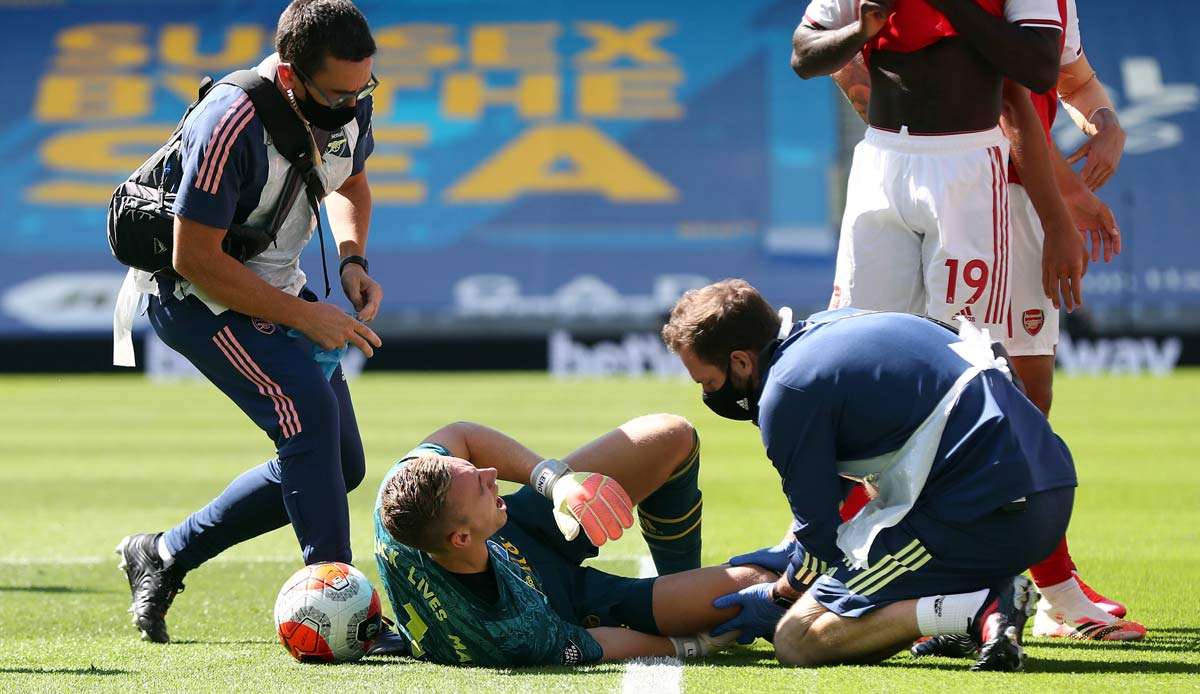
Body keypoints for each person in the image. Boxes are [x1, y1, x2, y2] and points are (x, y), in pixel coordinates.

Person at [825, 0, 1144, 642]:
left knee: (1023, 393)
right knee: (972, 388)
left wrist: (1105, 121)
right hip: (983, 186)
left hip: (1011, 191)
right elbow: (997, 101)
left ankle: (1041, 581)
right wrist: (1067, 201)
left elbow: (1066, 77)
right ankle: (885, 569)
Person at [114, 0, 385, 643]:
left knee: (336, 465)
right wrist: (305, 316)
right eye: (341, 92)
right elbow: (193, 258)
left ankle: (163, 553)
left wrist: (352, 260)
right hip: (196, 298)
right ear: (291, 77)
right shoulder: (230, 120)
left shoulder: (346, 101)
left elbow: (351, 185)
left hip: (273, 287)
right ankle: (339, 607)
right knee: (309, 420)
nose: (354, 105)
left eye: (364, 88)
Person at [662, 279, 1079, 671]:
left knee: (798, 639)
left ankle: (977, 607)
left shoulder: (785, 393)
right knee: (867, 554)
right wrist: (802, 545)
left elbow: (819, 551)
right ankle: (953, 609)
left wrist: (776, 594)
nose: (709, 394)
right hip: (1046, 482)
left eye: (710, 381)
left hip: (990, 510)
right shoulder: (831, 327)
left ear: (740, 361)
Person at [793, 0, 1088, 342]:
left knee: (963, 344)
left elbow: (1040, 67)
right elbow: (803, 55)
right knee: (861, 336)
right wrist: (859, 31)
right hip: (881, 160)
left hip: (967, 165)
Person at [373, 416, 776, 666]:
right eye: (480, 485)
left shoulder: (403, 488)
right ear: (460, 537)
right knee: (757, 587)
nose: (491, 472)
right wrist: (689, 644)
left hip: (518, 528)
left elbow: (462, 435)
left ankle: (683, 575)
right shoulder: (510, 634)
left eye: (473, 470)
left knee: (670, 434)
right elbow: (599, 643)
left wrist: (555, 482)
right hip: (563, 602)